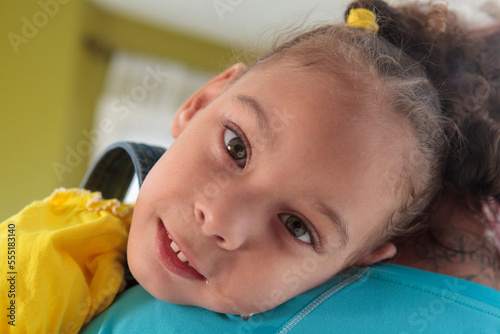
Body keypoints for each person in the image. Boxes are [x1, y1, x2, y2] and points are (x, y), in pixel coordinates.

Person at [1, 1, 499, 333]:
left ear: (352, 266)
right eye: (236, 148)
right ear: (200, 102)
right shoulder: (45, 248)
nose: (220, 221)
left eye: (297, 227)